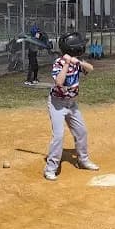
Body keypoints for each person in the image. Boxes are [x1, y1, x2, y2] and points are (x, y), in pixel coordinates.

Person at [44, 32, 99, 181]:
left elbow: (90, 68)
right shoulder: (58, 63)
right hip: (57, 104)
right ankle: (50, 168)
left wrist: (77, 62)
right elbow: (59, 82)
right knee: (59, 136)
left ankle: (83, 160)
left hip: (72, 104)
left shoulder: (77, 62)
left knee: (81, 132)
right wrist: (67, 64)